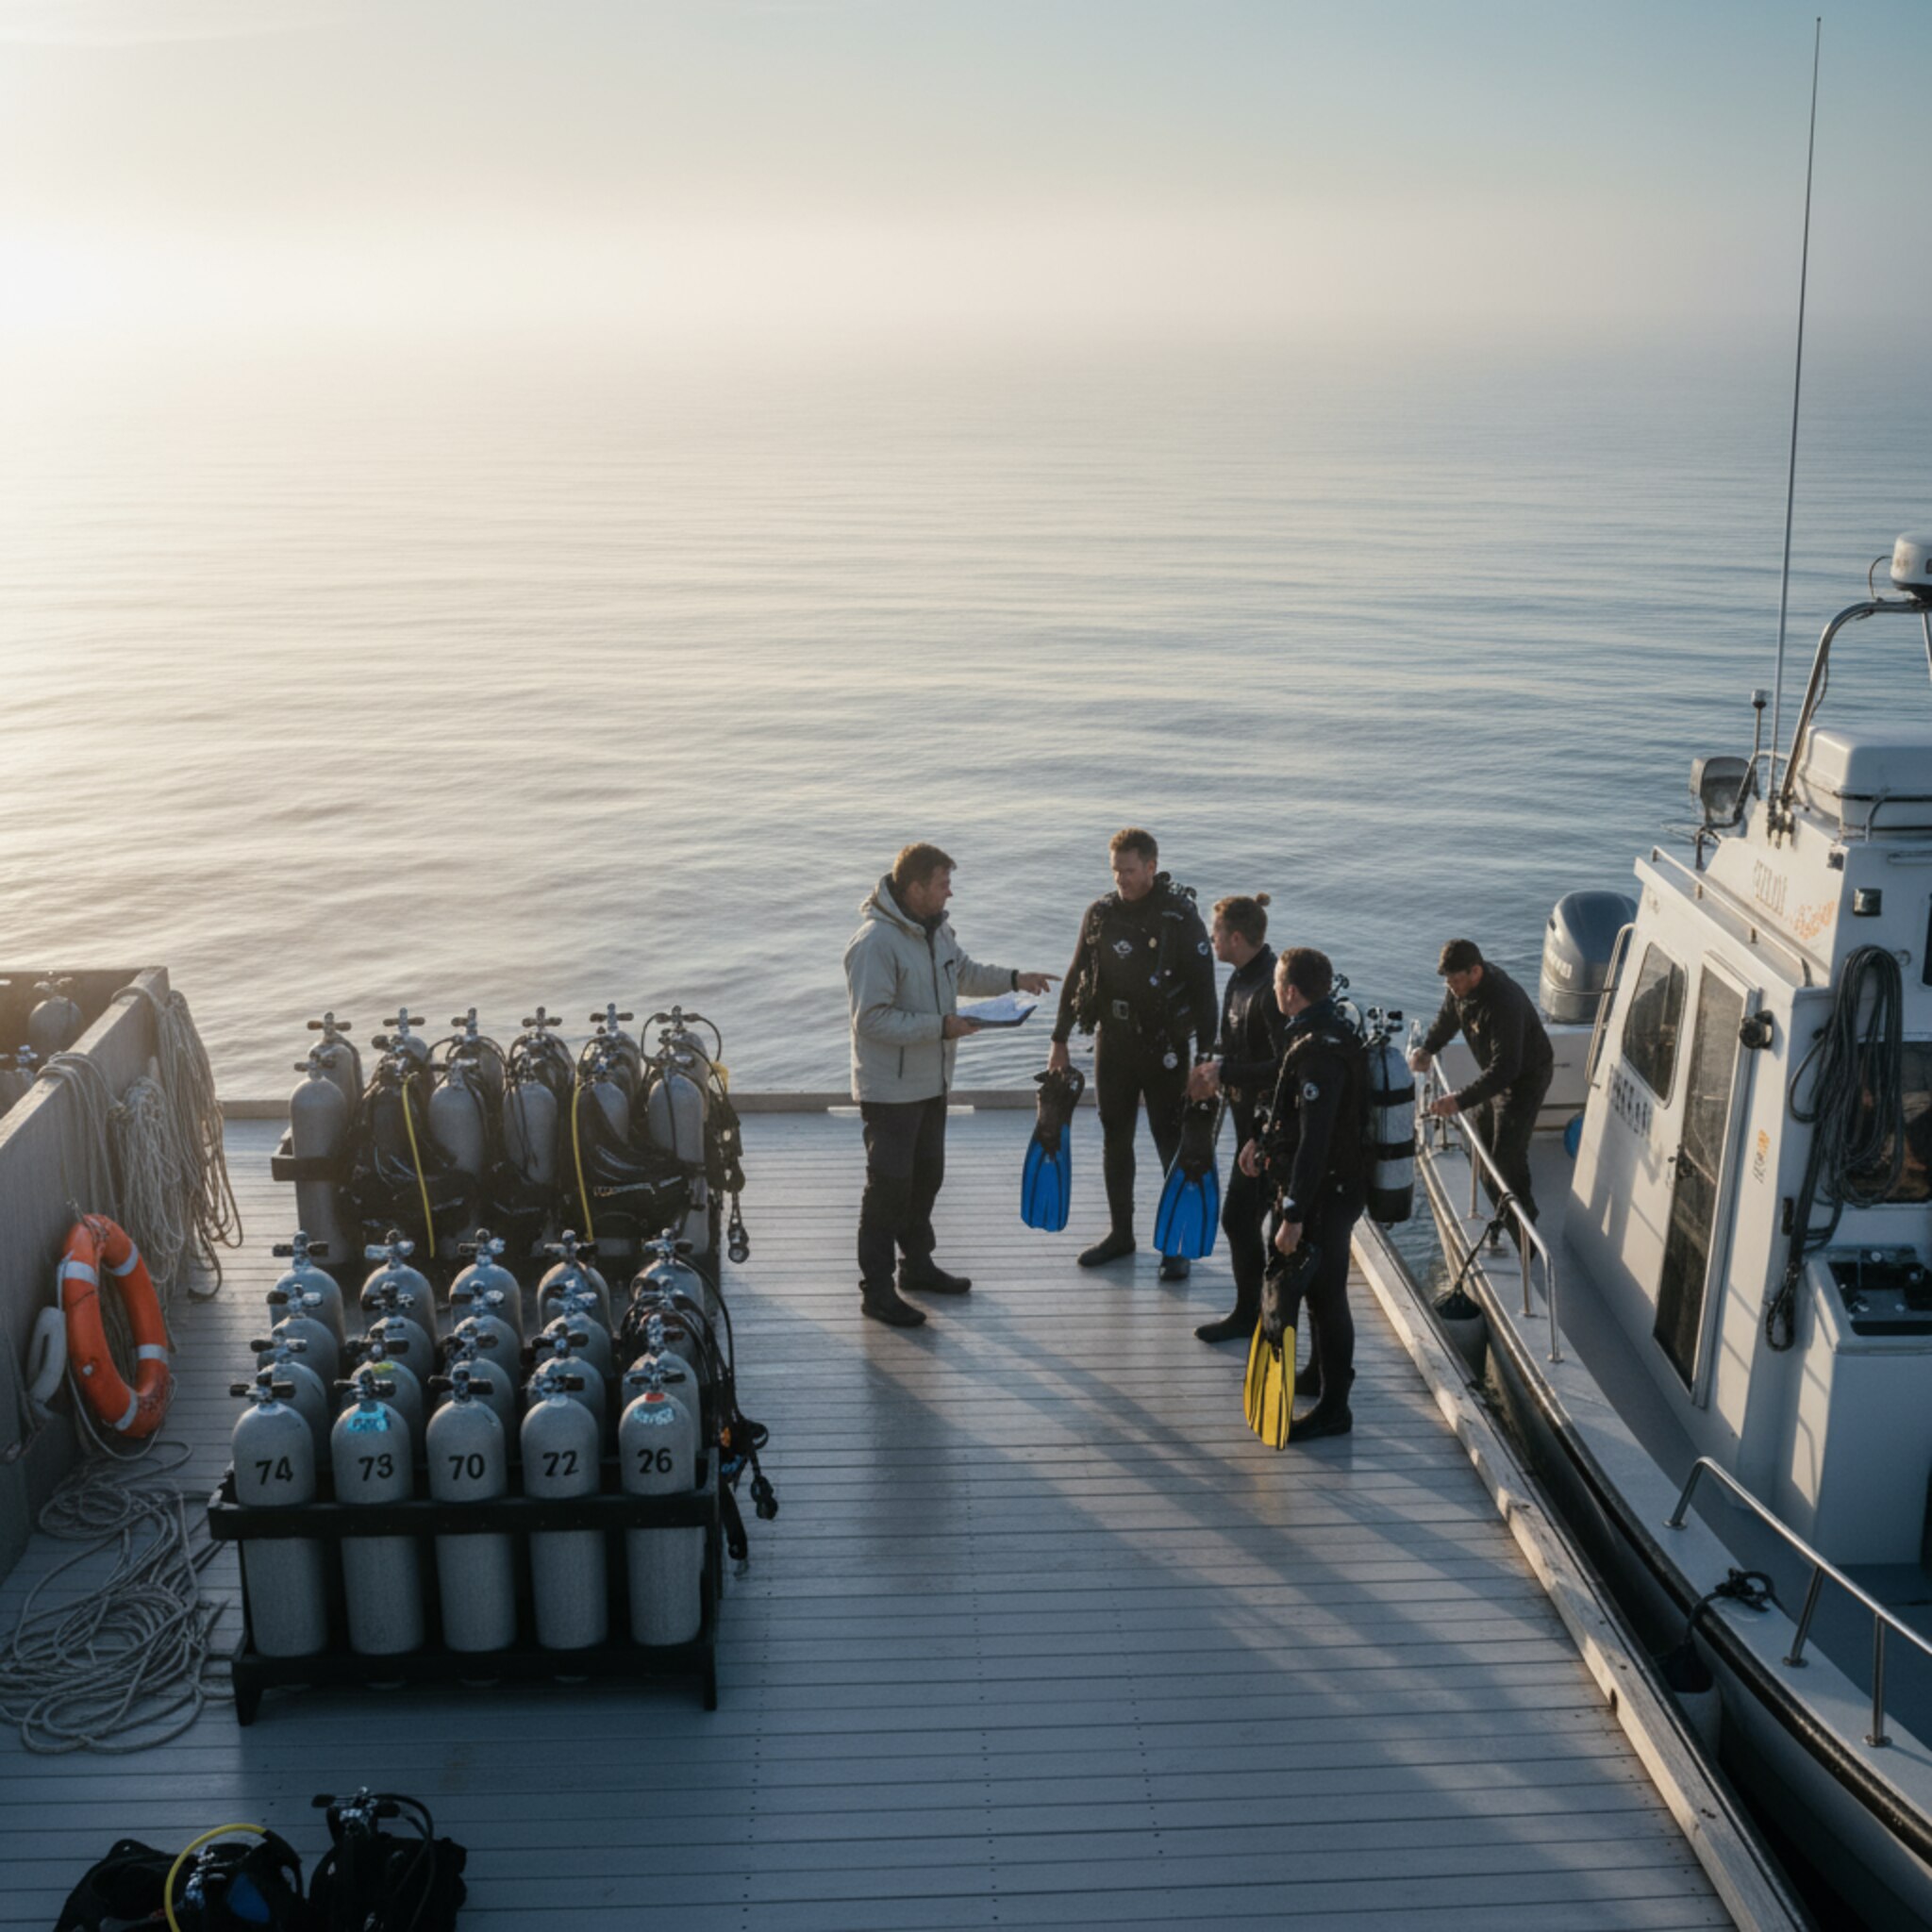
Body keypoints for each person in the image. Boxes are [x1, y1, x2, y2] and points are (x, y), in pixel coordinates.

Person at [844, 843, 1056, 1328]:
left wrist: (1015, 979)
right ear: (915, 888)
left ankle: (915, 1268)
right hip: (890, 1091)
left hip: (932, 1082)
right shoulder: (875, 942)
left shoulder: (936, 929)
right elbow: (871, 1020)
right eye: (942, 884)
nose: (950, 892)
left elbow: (962, 971)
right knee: (887, 1192)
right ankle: (875, 1291)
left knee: (926, 1181)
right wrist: (941, 1026)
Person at [1047, 828, 1217, 1279]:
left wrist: (1205, 1058)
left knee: (1169, 1138)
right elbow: (1075, 973)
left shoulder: (1179, 918)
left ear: (1151, 867)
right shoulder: (1100, 913)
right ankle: (1121, 1234)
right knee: (1114, 1137)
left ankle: (1175, 1243)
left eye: (1129, 870)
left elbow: (1205, 994)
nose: (1121, 878)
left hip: (1164, 1046)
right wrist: (1059, 1040)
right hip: (1114, 1042)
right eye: (1115, 870)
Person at [1247, 945, 1366, 1439]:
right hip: (1331, 1186)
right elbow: (1299, 1123)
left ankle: (1335, 1409)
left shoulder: (1319, 1052)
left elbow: (1317, 1140)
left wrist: (1293, 1213)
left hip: (1324, 1194)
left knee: (1326, 1298)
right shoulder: (1330, 1031)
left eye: (1277, 984)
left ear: (1290, 993)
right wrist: (1262, 1140)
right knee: (1322, 1292)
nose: (1274, 990)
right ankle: (1318, 1377)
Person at [1408, 938, 1555, 1235]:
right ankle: (1497, 1203)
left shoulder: (1504, 1003)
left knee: (1507, 1157)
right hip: (1496, 1076)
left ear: (1475, 972)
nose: (1452, 987)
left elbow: (1507, 1068)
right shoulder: (1460, 989)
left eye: (1457, 980)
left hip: (1525, 1079)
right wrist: (1428, 1048)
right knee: (1484, 1136)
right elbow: (1449, 1018)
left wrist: (1459, 1100)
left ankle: (1522, 1224)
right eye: (1448, 981)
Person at [1188, 895, 1284, 1342]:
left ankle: (1262, 1316)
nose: (1211, 939)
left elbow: (1287, 1066)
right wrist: (1212, 1070)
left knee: (1247, 1222)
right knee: (1246, 1222)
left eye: (1216, 933)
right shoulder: (1239, 978)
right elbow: (1232, 1044)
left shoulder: (1272, 988)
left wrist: (1226, 1072)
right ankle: (1258, 1313)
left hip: (1275, 1130)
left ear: (1237, 938)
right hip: (1247, 1127)